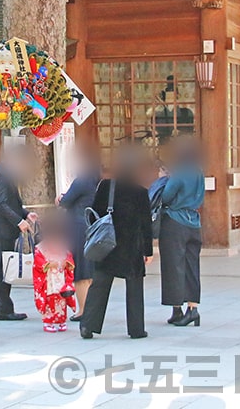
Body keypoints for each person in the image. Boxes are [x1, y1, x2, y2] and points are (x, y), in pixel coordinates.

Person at [80, 145, 154, 340]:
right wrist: (148, 251)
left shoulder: (106, 186)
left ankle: (88, 326)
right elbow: (146, 225)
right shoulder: (140, 192)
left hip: (106, 244)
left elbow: (94, 213)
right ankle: (136, 329)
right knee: (134, 287)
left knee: (100, 285)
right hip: (131, 247)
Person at [0, 144, 38, 321]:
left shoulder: (7, 173)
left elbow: (12, 202)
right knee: (3, 268)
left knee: (5, 267)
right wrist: (19, 221)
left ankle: (5, 306)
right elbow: (1, 204)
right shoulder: (1, 175)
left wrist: (26, 214)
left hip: (5, 228)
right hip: (1, 229)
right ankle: (3, 309)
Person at [158, 138, 205, 327]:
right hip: (194, 222)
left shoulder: (178, 174)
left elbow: (166, 196)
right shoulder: (199, 172)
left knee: (173, 265)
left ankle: (176, 309)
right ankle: (193, 309)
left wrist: (163, 179)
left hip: (175, 222)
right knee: (192, 265)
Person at [57, 146, 101, 322]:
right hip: (90, 227)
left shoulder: (81, 180)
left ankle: (82, 310)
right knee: (89, 272)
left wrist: (60, 198)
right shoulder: (96, 181)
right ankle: (89, 308)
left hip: (77, 227)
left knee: (80, 273)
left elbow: (66, 202)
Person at [32, 212, 76, 333]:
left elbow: (69, 259)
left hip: (61, 278)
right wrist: (49, 264)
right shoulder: (41, 248)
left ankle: (61, 321)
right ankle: (48, 321)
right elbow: (38, 263)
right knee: (49, 300)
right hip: (48, 280)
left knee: (61, 300)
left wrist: (67, 263)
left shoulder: (63, 247)